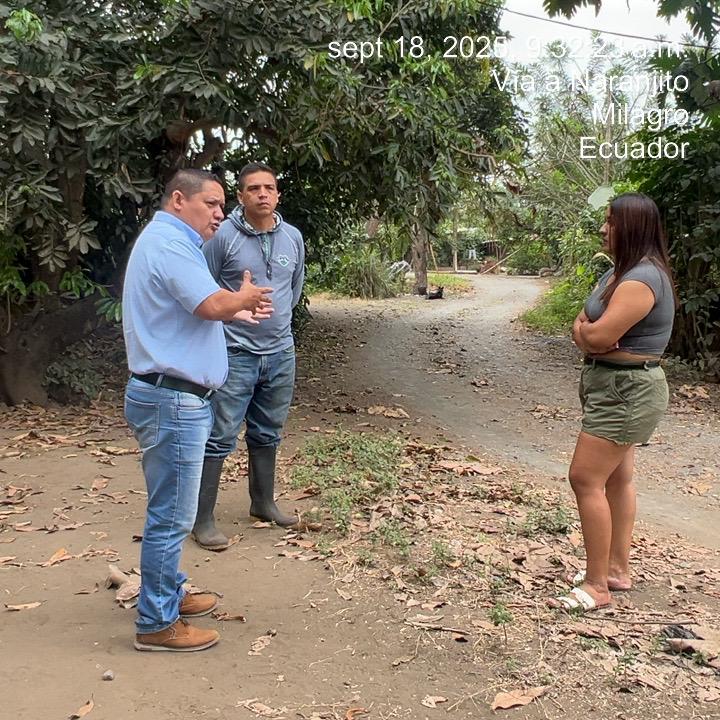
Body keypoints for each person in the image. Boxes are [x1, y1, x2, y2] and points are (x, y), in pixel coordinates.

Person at [123, 169, 273, 651]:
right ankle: (156, 623)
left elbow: (191, 309)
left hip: (170, 395)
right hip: (173, 399)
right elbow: (208, 305)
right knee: (171, 517)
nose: (219, 214)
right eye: (211, 203)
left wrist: (237, 308)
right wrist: (239, 298)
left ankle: (168, 592)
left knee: (168, 509)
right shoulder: (171, 243)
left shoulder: (169, 241)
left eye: (221, 205)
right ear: (177, 200)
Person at [549, 193, 676, 613]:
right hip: (610, 383)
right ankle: (616, 570)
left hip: (627, 390)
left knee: (584, 478)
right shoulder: (618, 272)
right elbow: (584, 326)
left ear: (633, 227)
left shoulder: (642, 279)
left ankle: (596, 586)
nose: (603, 229)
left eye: (612, 222)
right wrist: (588, 333)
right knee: (617, 479)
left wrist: (590, 334)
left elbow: (598, 334)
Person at [192, 162, 305, 550]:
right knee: (219, 435)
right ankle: (202, 519)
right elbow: (203, 290)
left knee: (268, 430)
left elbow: (293, 289)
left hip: (280, 353)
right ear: (240, 196)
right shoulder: (222, 236)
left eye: (268, 188)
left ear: (278, 195)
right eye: (253, 188)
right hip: (234, 352)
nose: (262, 194)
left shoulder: (293, 237)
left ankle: (263, 503)